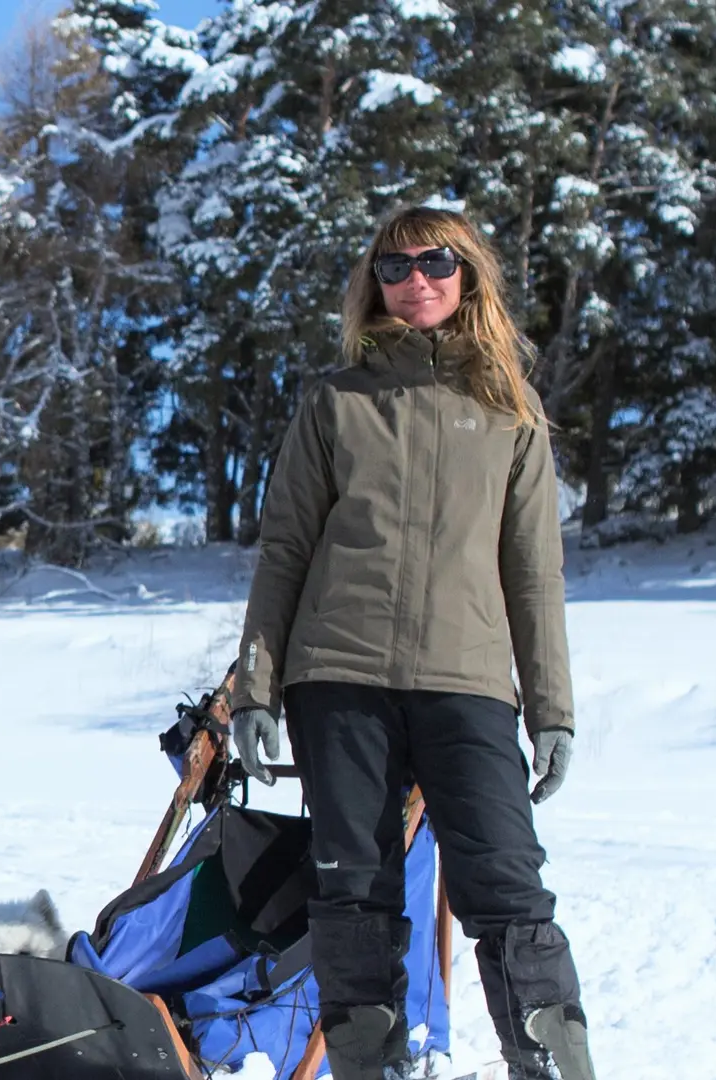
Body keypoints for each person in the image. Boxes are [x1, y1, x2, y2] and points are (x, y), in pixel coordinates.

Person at [226, 206, 596, 1080]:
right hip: (338, 679)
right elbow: (284, 552)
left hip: (468, 684)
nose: (415, 280)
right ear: (373, 286)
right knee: (353, 890)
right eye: (394, 268)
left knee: (508, 891)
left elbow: (534, 575)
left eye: (435, 261)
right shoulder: (335, 403)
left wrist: (552, 710)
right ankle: (373, 1069)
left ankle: (551, 1068)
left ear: (467, 272)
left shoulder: (510, 411)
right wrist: (255, 688)